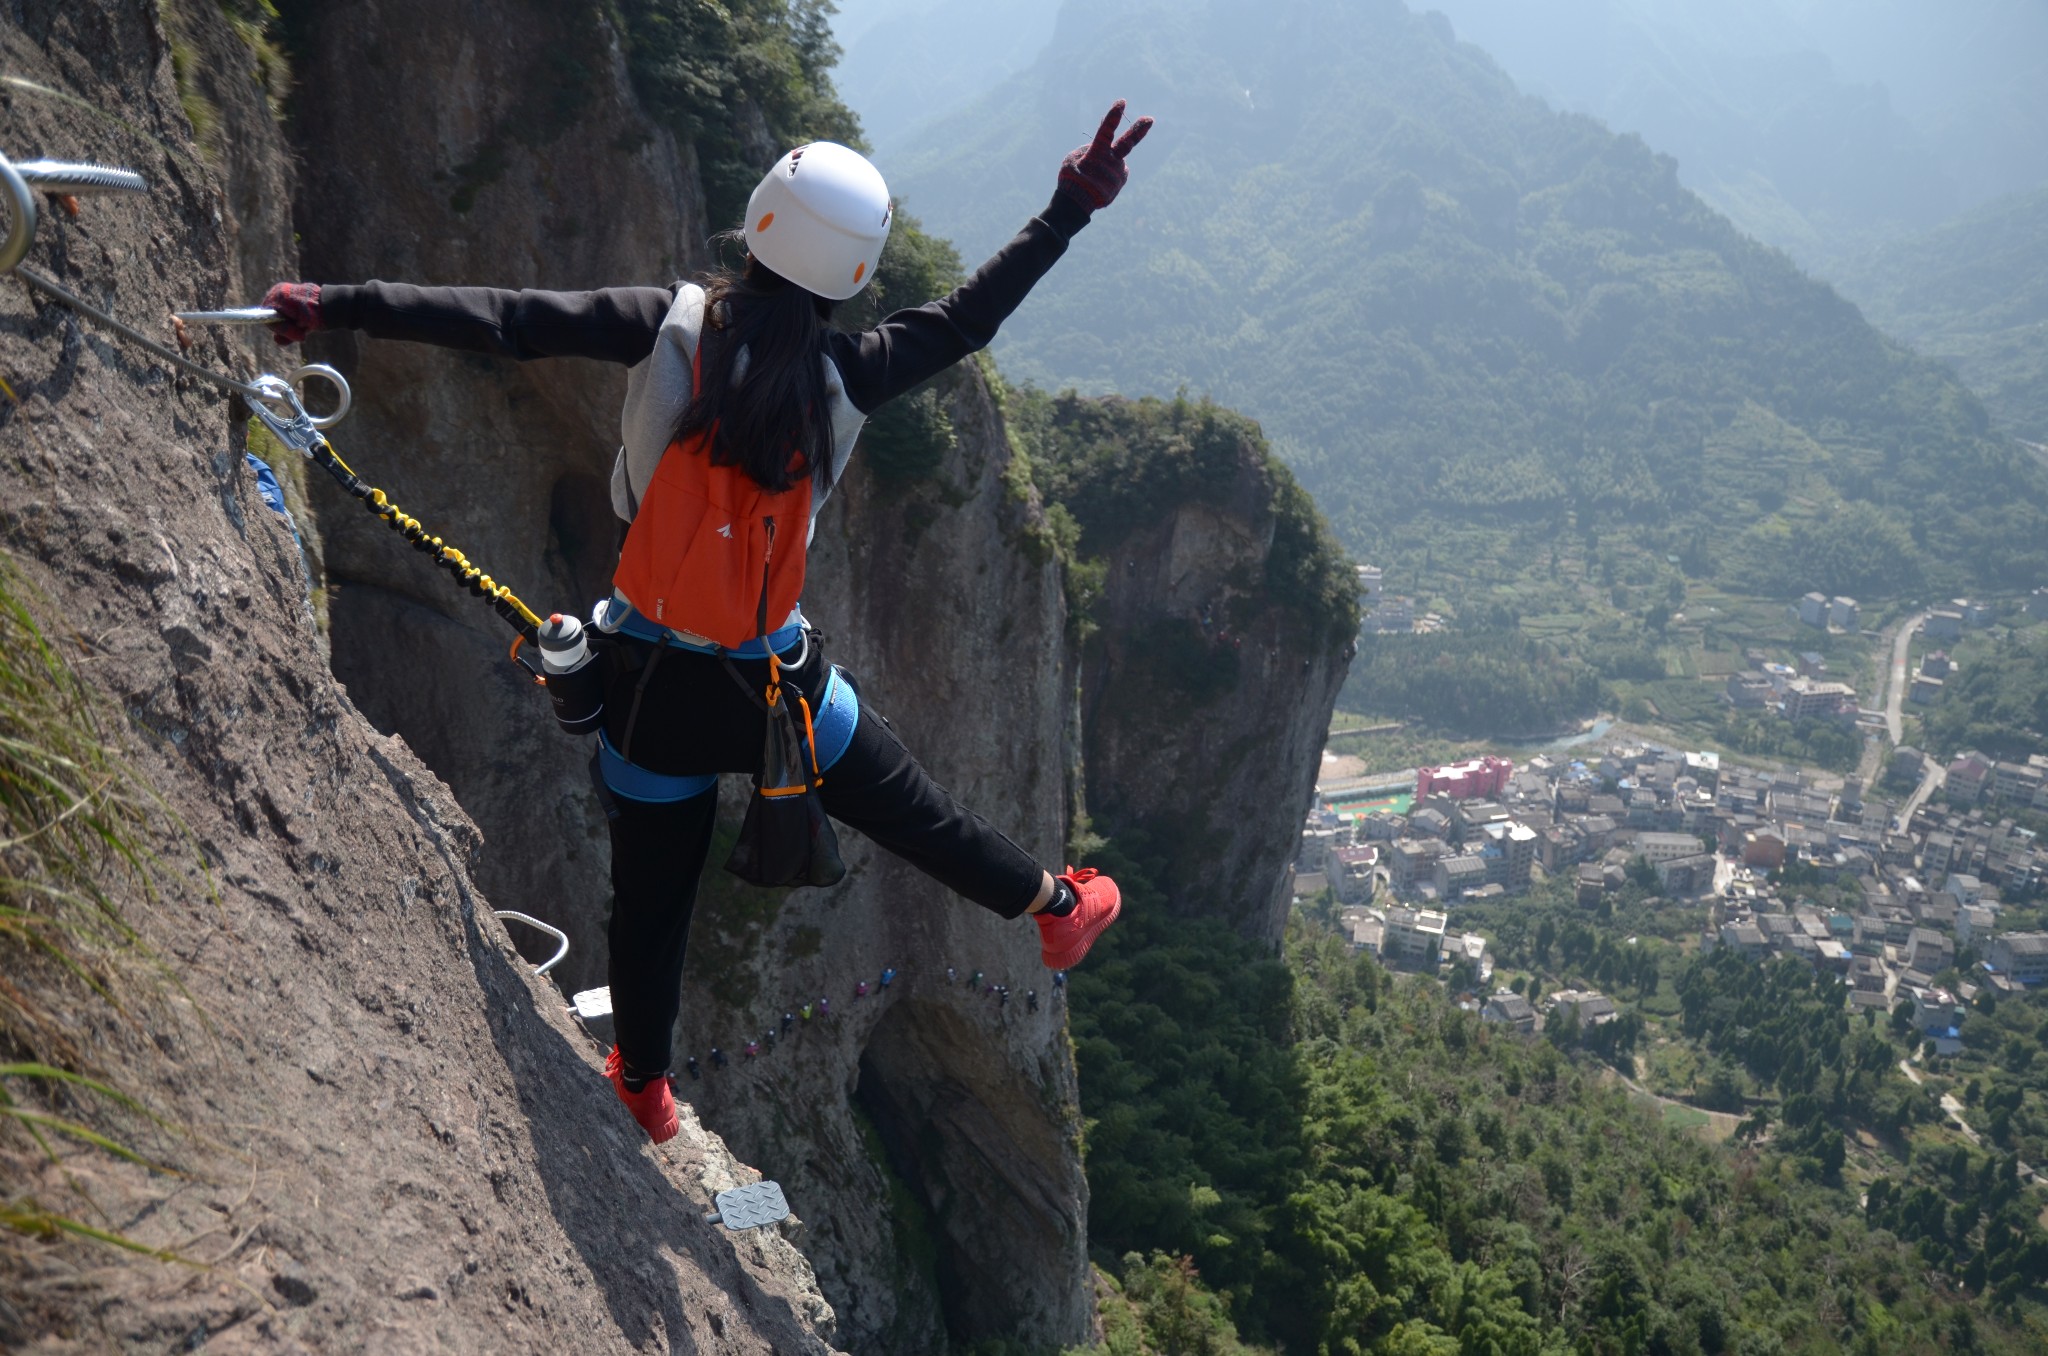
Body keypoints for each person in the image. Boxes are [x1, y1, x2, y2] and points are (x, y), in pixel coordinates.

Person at [261, 103, 1152, 1145]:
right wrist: (1068, 207)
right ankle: (1056, 909)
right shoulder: (853, 374)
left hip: (644, 683)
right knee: (917, 813)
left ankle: (641, 1083)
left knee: (651, 905)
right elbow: (967, 316)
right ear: (859, 273)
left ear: (759, 222)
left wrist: (332, 302)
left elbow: (506, 318)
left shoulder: (665, 321)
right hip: (775, 693)